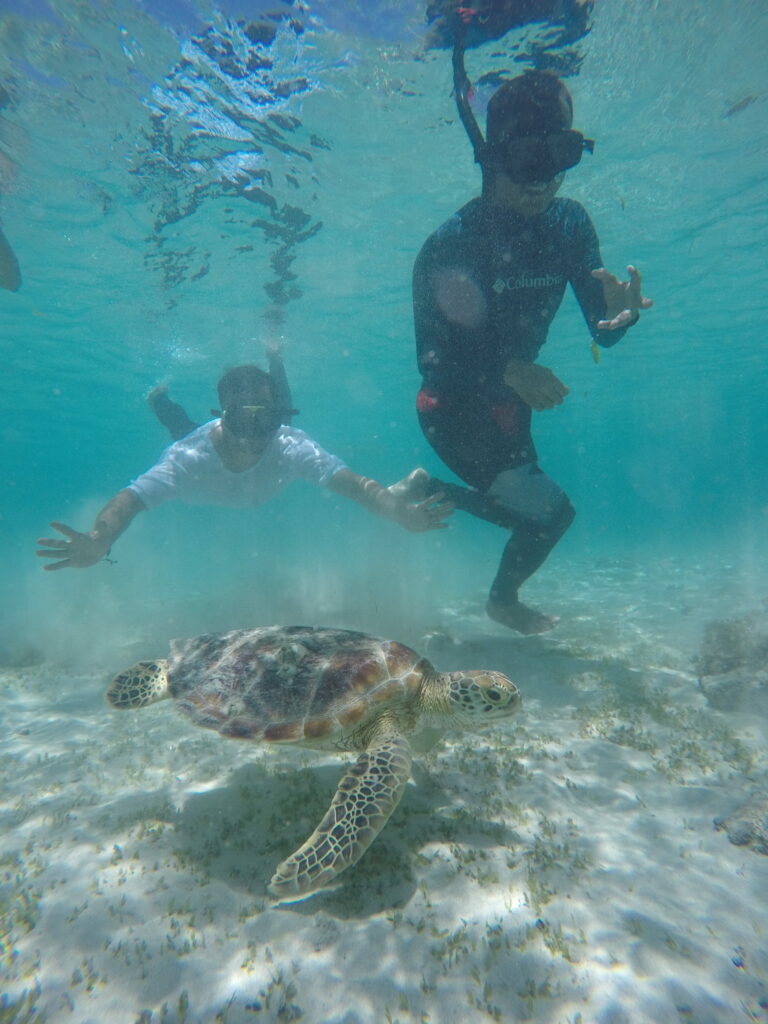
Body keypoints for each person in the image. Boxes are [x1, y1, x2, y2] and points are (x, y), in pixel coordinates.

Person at [410, 68, 653, 635]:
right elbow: (432, 362)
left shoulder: (570, 225)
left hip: (506, 404)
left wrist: (621, 317)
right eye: (526, 160)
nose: (543, 180)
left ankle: (439, 496)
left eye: (561, 155)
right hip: (450, 408)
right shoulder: (450, 245)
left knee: (542, 515)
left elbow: (603, 329)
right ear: (492, 157)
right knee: (551, 515)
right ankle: (500, 598)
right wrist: (509, 369)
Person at [36, 363, 452, 571]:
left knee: (203, 432)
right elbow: (130, 500)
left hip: (246, 463)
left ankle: (272, 363)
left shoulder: (290, 445)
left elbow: (357, 486)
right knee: (179, 429)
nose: (253, 433)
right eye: (241, 418)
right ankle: (159, 400)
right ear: (222, 414)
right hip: (199, 444)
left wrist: (401, 514)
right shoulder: (190, 457)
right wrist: (100, 537)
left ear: (278, 417)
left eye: (265, 419)